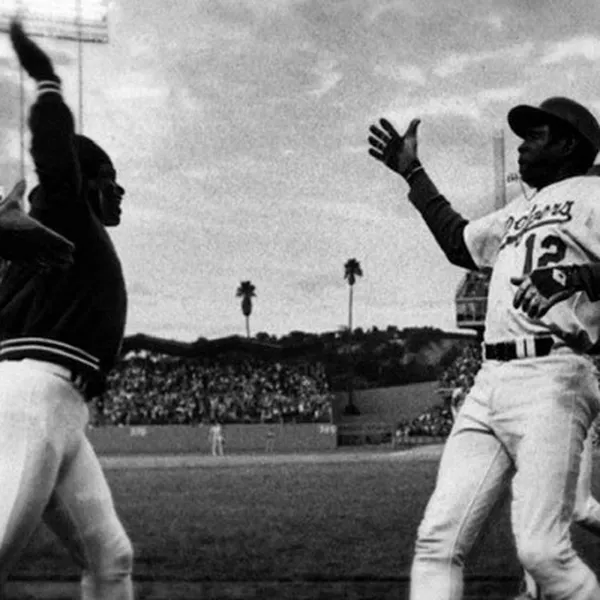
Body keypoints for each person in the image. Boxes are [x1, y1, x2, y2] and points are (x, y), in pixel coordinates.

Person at [368, 95, 600, 599]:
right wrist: (413, 173)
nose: (522, 145)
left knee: (543, 553)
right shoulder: (519, 210)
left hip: (553, 376)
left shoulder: (595, 194)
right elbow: (459, 242)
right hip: (489, 380)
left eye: (535, 134)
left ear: (568, 144)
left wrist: (577, 275)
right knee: (437, 541)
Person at [0, 20, 133, 599]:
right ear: (84, 184)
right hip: (33, 398)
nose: (119, 191)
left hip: (57, 406)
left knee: (111, 557)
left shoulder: (59, 248)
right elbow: (55, 156)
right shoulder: (68, 212)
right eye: (109, 179)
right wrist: (48, 81)